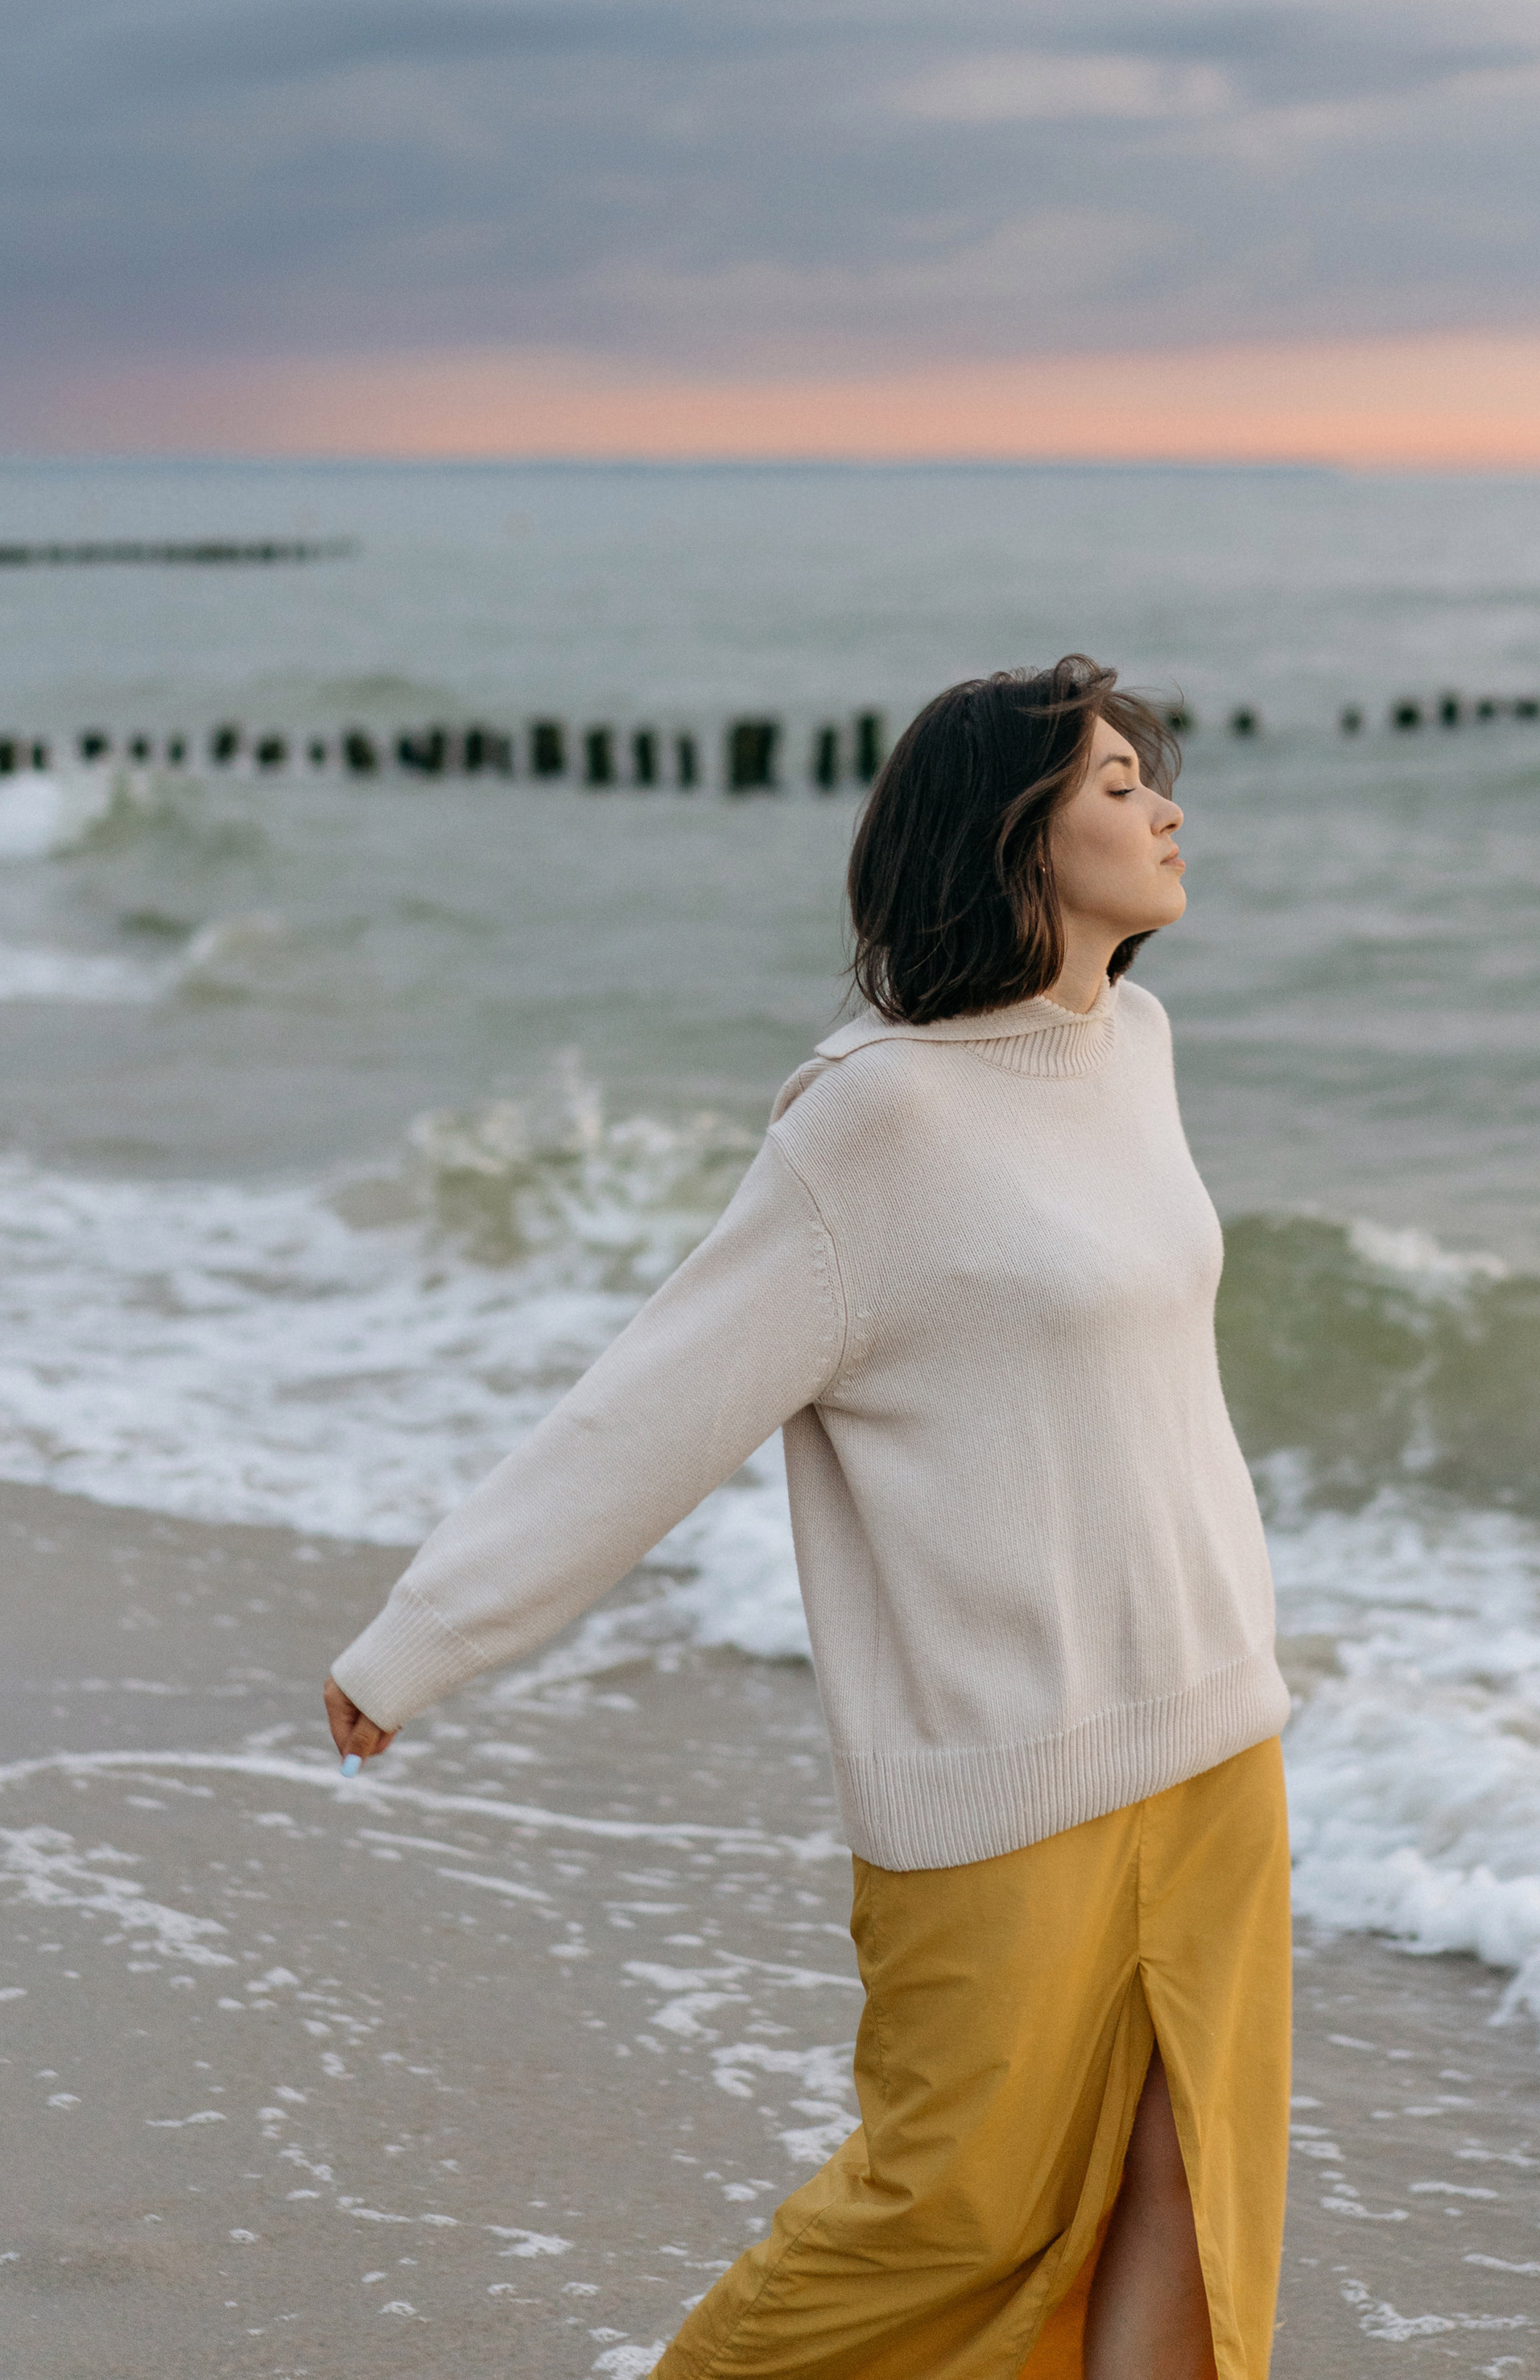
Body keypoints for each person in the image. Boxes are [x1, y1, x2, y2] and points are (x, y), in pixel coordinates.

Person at [324, 654, 1292, 2380]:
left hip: (1212, 1726)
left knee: (1191, 2186)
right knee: (955, 2208)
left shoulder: (1131, 1046)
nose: (1164, 807)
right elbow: (648, 1408)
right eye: (1116, 782)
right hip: (999, 1767)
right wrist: (426, 1636)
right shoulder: (875, 1118)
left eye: (1151, 772)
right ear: (1013, 838)